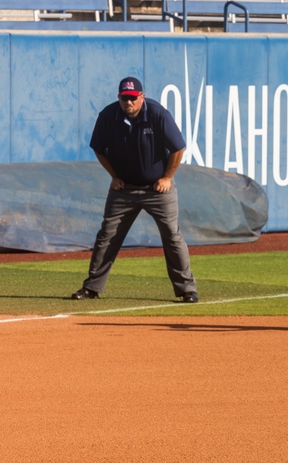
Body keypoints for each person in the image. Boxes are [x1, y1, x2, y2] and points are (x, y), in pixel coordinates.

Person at [71, 76, 198, 303]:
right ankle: (92, 288)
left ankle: (187, 289)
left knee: (171, 235)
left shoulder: (158, 115)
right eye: (124, 98)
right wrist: (114, 176)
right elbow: (98, 148)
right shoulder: (108, 116)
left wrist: (167, 177)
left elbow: (178, 148)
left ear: (142, 97)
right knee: (107, 236)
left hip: (157, 189)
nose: (128, 103)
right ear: (118, 98)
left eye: (132, 98)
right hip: (124, 189)